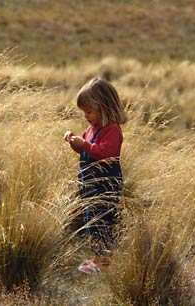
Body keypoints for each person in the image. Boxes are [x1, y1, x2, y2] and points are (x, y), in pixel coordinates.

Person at [63, 76, 126, 273]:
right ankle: (99, 258)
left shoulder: (112, 130)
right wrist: (74, 142)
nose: (85, 116)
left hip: (105, 185)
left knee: (103, 221)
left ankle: (105, 262)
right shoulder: (92, 129)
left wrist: (86, 145)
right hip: (89, 184)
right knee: (92, 221)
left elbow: (103, 152)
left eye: (89, 112)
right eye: (84, 112)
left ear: (104, 108)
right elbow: (86, 151)